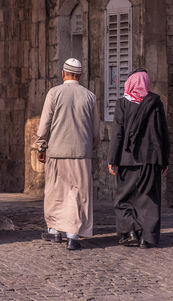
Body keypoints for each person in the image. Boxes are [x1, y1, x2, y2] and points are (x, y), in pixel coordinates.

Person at [36, 58, 99, 250]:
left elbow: (45, 123)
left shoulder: (54, 93)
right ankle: (73, 235)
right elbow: (95, 130)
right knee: (78, 193)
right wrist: (91, 147)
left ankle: (54, 231)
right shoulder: (90, 96)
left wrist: (41, 146)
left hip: (57, 152)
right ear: (80, 75)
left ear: (63, 73)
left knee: (56, 192)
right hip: (81, 154)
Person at [107, 68, 170, 248]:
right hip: (151, 160)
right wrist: (164, 159)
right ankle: (146, 238)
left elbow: (118, 134)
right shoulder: (156, 103)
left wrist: (113, 159)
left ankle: (130, 232)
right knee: (149, 199)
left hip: (128, 159)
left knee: (124, 198)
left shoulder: (122, 103)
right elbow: (163, 133)